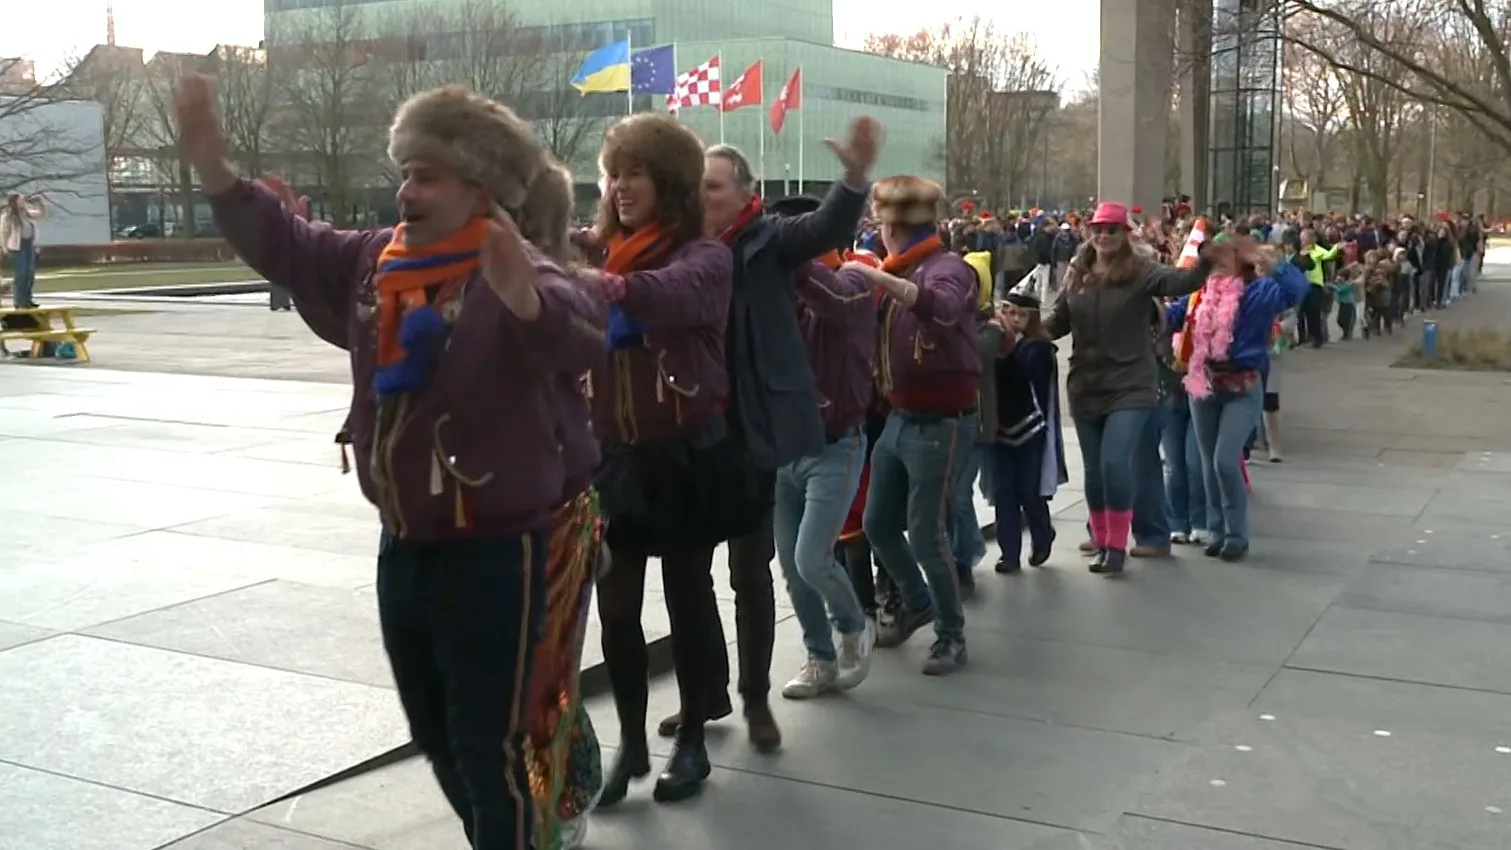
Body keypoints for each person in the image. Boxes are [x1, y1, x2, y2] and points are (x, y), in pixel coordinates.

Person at [174, 75, 606, 850]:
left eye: (427, 174)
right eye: (404, 171)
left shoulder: (518, 266)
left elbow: (579, 331)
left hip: (495, 552)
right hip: (404, 545)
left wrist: (525, 298)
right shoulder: (379, 260)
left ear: (480, 187)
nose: (407, 189)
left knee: (488, 746)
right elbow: (290, 245)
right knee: (435, 733)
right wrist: (215, 171)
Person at [654, 122, 876, 749]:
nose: (704, 198)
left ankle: (756, 699)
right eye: (697, 188)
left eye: (715, 188)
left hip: (759, 434)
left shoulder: (768, 238)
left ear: (746, 193)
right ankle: (705, 695)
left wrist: (855, 178)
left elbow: (825, 230)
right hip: (696, 429)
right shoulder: (681, 248)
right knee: (689, 574)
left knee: (753, 572)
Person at [583, 112, 739, 806]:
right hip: (615, 459)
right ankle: (633, 747)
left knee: (687, 598)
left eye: (635, 172)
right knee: (615, 609)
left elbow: (667, 296)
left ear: (668, 183)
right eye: (615, 171)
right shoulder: (598, 253)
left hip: (684, 455)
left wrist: (609, 287)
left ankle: (693, 743)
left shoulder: (702, 257)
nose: (620, 185)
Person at [851, 175, 980, 675]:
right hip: (900, 417)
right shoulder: (904, 266)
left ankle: (952, 634)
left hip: (941, 422)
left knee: (926, 534)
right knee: (878, 523)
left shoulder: (948, 268)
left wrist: (881, 281)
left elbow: (943, 309)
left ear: (892, 226)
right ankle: (919, 601)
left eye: (882, 224)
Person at [1044, 201, 1211, 575]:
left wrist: (1206, 259)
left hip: (1132, 383)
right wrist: (1021, 328)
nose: (1103, 236)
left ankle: (1117, 547)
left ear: (1125, 234)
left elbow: (1180, 281)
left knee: (1116, 462)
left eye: (1112, 230)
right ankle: (1103, 538)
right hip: (1086, 384)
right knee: (1095, 471)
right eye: (1098, 229)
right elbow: (1057, 321)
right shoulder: (1078, 272)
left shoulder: (1142, 270)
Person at [767, 196, 879, 698]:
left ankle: (854, 626)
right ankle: (819, 656)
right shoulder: (776, 293)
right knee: (791, 566)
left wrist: (782, 255)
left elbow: (829, 296)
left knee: (814, 558)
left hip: (837, 444)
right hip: (783, 449)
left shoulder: (855, 279)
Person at [1169, 241, 1310, 560]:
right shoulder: (1199, 294)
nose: (1215, 265)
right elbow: (1169, 317)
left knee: (1224, 460)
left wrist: (1271, 261)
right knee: (1207, 464)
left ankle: (1236, 534)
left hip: (1242, 387)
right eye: (1210, 261)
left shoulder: (1259, 293)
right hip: (1203, 384)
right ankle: (1217, 531)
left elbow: (1298, 290)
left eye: (1221, 259)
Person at [988, 291, 1066, 572]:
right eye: (1009, 312)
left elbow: (1024, 372)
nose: (1014, 319)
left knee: (1030, 492)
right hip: (1000, 431)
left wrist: (1004, 344)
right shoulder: (993, 344)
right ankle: (1009, 554)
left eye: (1021, 314)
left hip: (1031, 429)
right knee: (1003, 493)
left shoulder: (1039, 348)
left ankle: (1043, 536)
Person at [1, 193, 44, 309]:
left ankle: (27, 300)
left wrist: (40, 204)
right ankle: (19, 301)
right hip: (16, 247)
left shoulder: (27, 213)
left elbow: (41, 215)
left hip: (29, 245)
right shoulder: (8, 216)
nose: (23, 202)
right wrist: (4, 248)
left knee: (30, 274)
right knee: (21, 274)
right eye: (21, 200)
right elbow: (4, 232)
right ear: (15, 202)